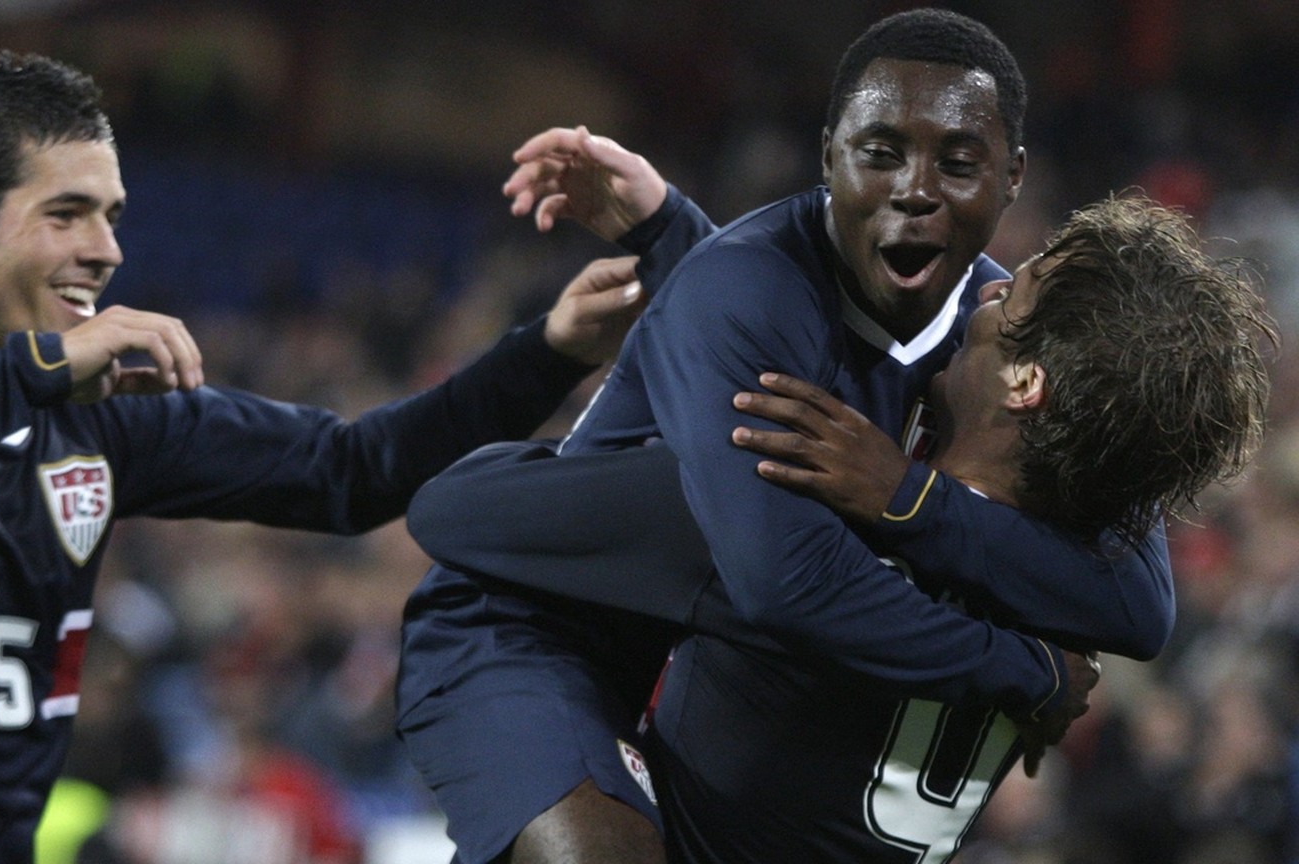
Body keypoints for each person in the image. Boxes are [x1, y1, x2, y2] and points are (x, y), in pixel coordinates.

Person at [0, 51, 645, 863]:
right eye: (65, 214)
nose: (106, 250)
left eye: (110, 217)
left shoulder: (104, 421)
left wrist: (549, 351)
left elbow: (354, 471)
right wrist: (33, 372)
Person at [394, 9, 1176, 864]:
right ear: (829, 152)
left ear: (1013, 175)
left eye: (958, 162)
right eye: (880, 152)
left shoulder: (1012, 330)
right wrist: (1024, 669)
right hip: (540, 628)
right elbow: (781, 582)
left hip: (705, 652)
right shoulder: (748, 289)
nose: (916, 188)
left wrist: (911, 502)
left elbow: (1138, 604)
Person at [411, 195, 1275, 861]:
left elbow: (455, 512)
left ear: (1025, 383)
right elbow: (1144, 611)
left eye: (1021, 289)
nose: (990, 283)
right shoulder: (1082, 585)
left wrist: (896, 498)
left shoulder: (789, 518)